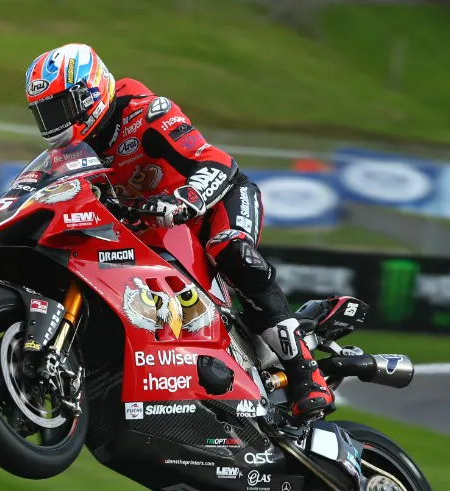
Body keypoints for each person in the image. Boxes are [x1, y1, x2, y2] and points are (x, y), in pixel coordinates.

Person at [22, 43, 334, 423]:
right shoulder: (73, 153)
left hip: (217, 201)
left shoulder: (147, 113)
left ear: (90, 92)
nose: (54, 124)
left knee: (232, 250)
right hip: (155, 232)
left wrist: (185, 199)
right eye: (44, 114)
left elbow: (217, 162)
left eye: (60, 109)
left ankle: (306, 373)